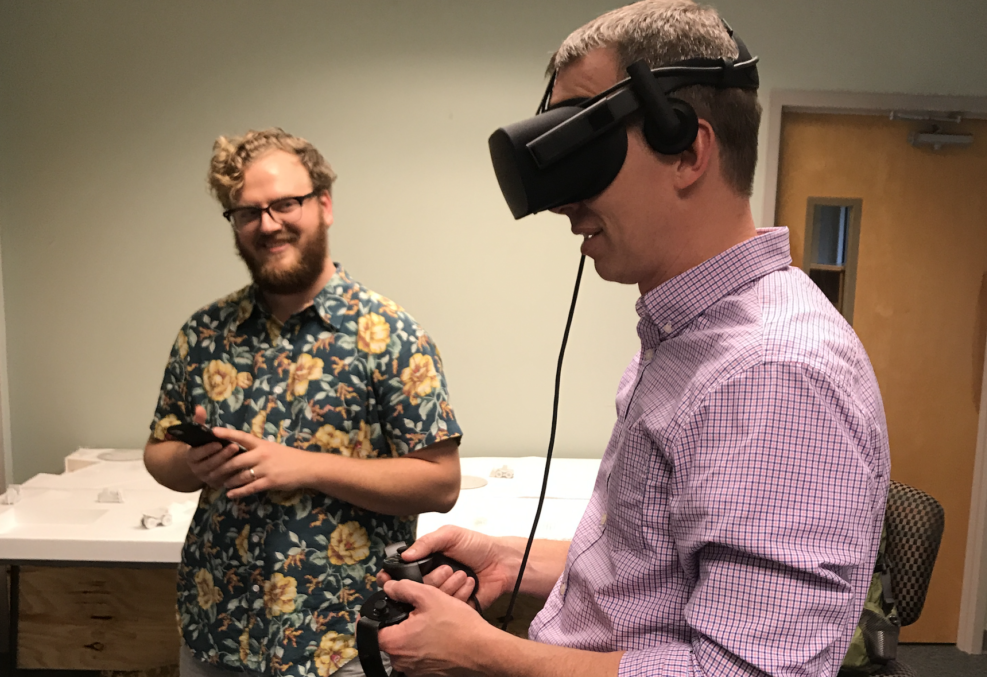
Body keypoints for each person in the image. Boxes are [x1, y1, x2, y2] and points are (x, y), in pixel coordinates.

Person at [375, 2, 890, 676]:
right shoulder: (690, 339)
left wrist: (484, 653)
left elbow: (746, 672)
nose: (562, 201)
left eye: (586, 151)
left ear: (688, 150)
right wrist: (512, 558)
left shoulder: (770, 370)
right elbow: (654, 562)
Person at [143, 128, 464, 677]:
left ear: (324, 205)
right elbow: (157, 452)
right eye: (247, 212)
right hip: (217, 632)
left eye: (285, 204)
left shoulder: (389, 334)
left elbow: (439, 482)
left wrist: (305, 468)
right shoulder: (203, 335)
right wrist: (190, 464)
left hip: (342, 643)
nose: (268, 224)